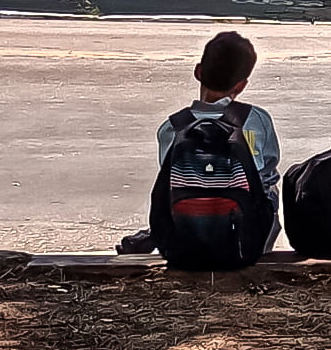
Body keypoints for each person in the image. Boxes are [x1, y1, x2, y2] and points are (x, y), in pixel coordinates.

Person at [117, 30, 279, 257]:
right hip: (244, 247)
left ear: (198, 72)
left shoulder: (171, 128)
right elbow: (268, 170)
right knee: (269, 184)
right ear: (241, 85)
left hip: (184, 248)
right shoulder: (256, 119)